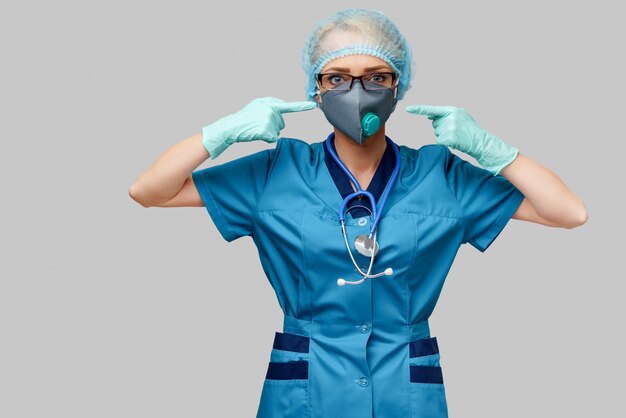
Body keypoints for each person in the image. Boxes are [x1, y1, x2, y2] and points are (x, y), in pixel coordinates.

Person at [129, 8, 588, 418]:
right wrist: (222, 133)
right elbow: (149, 191)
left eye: (376, 76)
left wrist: (494, 151)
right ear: (316, 88)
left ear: (398, 84)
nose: (357, 91)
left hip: (404, 389)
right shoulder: (276, 171)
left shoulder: (440, 175)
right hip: (306, 386)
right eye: (337, 78)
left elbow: (568, 212)